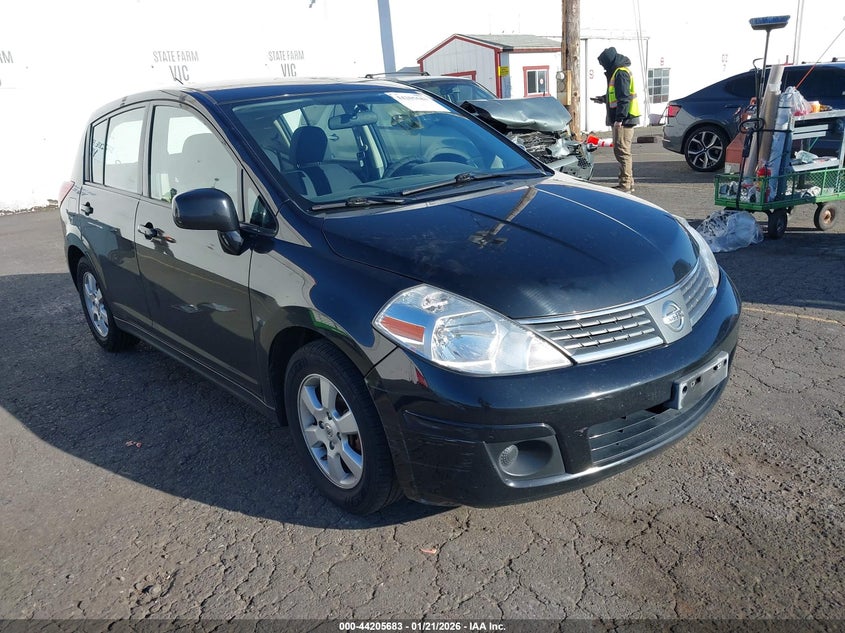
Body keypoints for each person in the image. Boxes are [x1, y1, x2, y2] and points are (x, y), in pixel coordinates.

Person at [592, 47, 641, 193]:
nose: (603, 67)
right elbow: (617, 95)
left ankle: (625, 184)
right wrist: (603, 99)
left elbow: (624, 98)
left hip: (624, 120)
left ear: (608, 62)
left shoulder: (620, 73)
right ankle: (628, 182)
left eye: (603, 64)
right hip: (624, 118)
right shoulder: (618, 72)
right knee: (622, 150)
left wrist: (619, 119)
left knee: (622, 151)